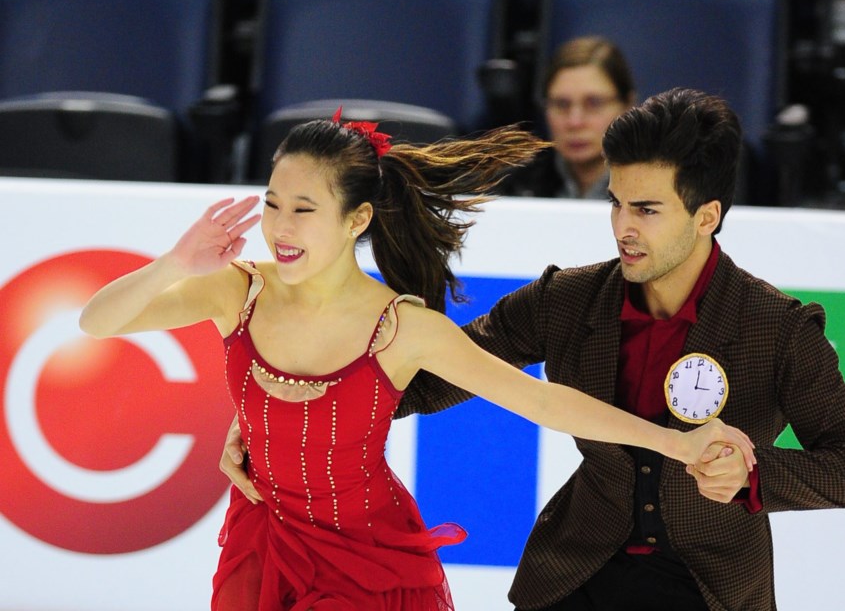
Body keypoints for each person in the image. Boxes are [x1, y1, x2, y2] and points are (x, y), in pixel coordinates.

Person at [218, 87, 845, 610]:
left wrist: (753, 476)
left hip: (709, 587)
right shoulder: (567, 301)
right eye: (615, 203)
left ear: (706, 215)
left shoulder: (773, 328)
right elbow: (417, 382)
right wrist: (269, 420)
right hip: (577, 577)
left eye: (647, 211)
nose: (623, 229)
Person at [79, 110, 757, 611]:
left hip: (368, 561)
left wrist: (675, 442)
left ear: (357, 220)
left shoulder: (400, 329)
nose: (282, 227)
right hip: (264, 544)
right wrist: (174, 263)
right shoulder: (238, 291)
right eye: (273, 205)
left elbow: (544, 402)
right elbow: (97, 320)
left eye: (305, 210)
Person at [499, 36, 636, 199]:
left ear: (627, 106)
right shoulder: (510, 187)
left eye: (594, 103)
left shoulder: (658, 187)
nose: (574, 122)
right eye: (561, 104)